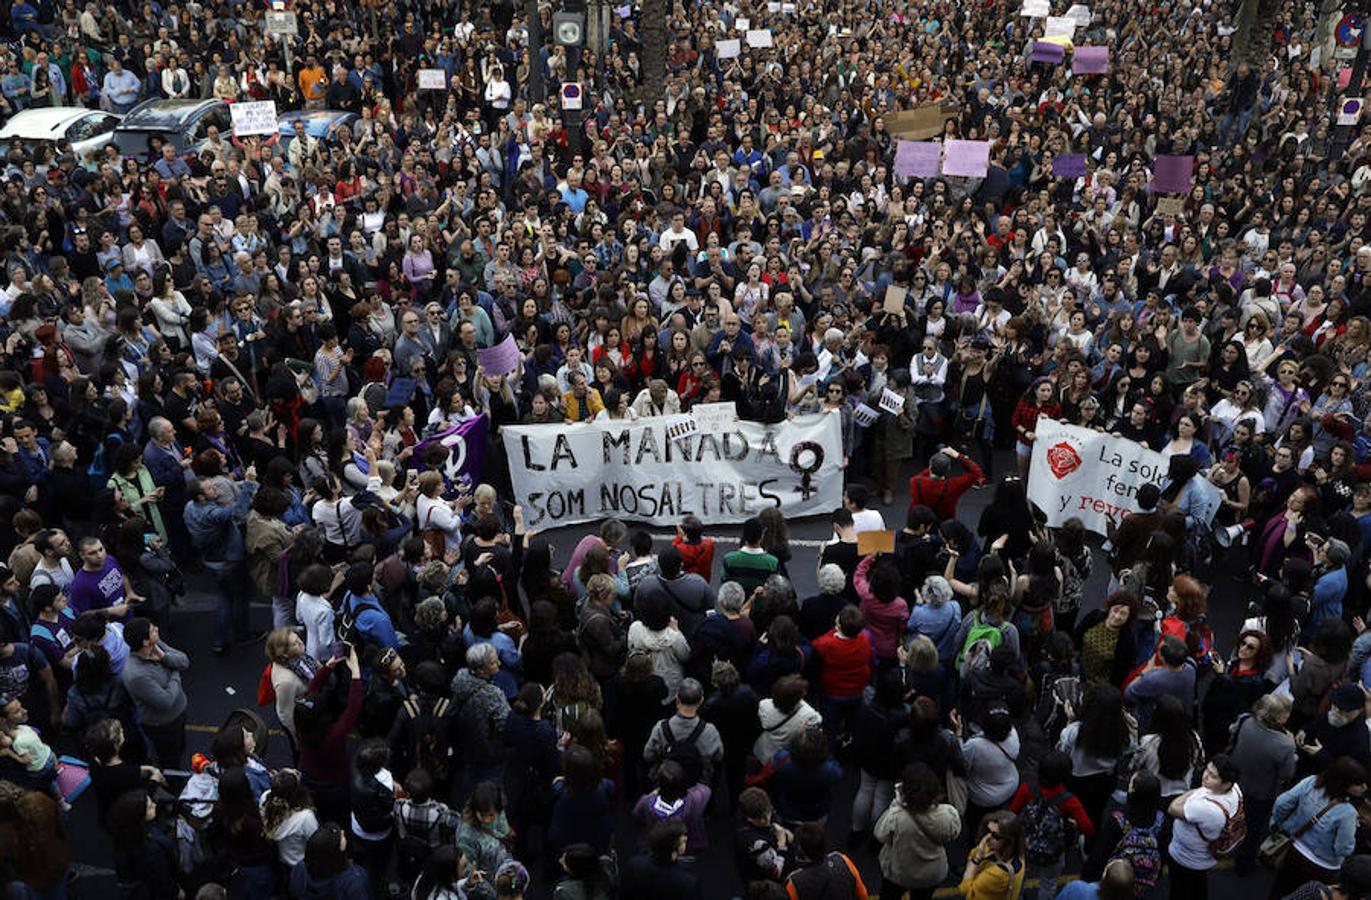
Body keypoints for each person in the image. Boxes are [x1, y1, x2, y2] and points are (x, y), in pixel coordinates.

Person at [1266, 757, 1367, 898]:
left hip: (1293, 849)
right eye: (1358, 784)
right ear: (1344, 784)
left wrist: (1278, 824)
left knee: (1280, 890)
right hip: (1322, 867)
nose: (1364, 787)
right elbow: (1342, 849)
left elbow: (1282, 803)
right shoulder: (1348, 813)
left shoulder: (1311, 782)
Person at [874, 761, 961, 900]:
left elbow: (880, 834)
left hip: (900, 873)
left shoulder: (896, 817)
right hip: (932, 874)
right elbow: (953, 834)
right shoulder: (948, 814)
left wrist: (897, 803)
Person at [1165, 755, 1244, 900]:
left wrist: (1195, 792)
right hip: (1204, 857)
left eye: (1213, 776)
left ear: (1226, 784)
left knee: (1179, 891)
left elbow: (1173, 808)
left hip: (1185, 858)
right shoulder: (1236, 791)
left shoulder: (1206, 808)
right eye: (1207, 770)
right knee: (1197, 886)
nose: (1205, 776)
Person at [120, 618, 188, 769]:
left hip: (179, 714)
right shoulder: (136, 675)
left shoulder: (156, 646)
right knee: (170, 761)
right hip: (163, 725)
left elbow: (183, 661)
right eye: (152, 630)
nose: (156, 629)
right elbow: (165, 701)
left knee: (180, 749)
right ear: (145, 642)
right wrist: (175, 672)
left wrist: (165, 658)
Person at [959, 809, 1027, 900]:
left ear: (1008, 841)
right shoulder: (1017, 853)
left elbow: (966, 889)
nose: (987, 838)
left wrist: (976, 859)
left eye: (995, 835)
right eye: (988, 831)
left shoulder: (998, 874)